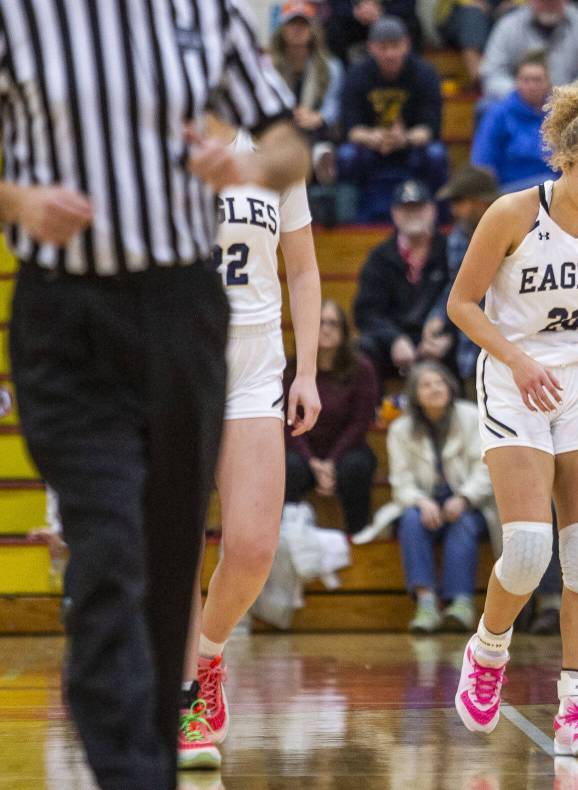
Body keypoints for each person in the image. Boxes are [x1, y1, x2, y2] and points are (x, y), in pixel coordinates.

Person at [0, 2, 309, 787]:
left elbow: (285, 141)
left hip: (182, 314)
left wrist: (250, 166)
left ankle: (166, 724)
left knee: (175, 561)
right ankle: (129, 766)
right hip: (65, 311)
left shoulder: (206, 14)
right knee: (110, 545)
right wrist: (16, 201)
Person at [447, 80, 578, 757]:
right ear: (563, 159)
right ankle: (488, 651)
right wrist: (519, 363)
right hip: (512, 376)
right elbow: (462, 305)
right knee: (529, 550)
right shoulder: (511, 212)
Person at [177, 116, 322, 770]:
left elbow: (303, 269)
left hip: (254, 366)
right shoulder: (154, 140)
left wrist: (309, 370)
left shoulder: (271, 150)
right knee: (176, 545)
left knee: (253, 547)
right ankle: (183, 700)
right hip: (174, 363)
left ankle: (208, 654)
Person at [386, 362, 498, 633]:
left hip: (471, 502)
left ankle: (460, 604)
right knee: (411, 521)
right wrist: (421, 502)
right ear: (414, 394)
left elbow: (486, 467)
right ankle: (425, 604)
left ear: (450, 386)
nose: (435, 389)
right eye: (426, 384)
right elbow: (400, 482)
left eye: (439, 382)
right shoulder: (400, 429)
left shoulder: (472, 416)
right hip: (425, 502)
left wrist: (463, 497)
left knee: (464, 523)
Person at [336, 17, 447, 221]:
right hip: (370, 148)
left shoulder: (425, 73)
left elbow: (431, 128)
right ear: (371, 47)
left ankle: (439, 220)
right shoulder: (356, 75)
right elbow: (349, 128)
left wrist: (404, 138)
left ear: (406, 44)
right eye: (383, 47)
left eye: (395, 46)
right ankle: (346, 225)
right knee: (346, 156)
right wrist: (373, 136)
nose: (390, 54)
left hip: (410, 147)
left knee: (436, 154)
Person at [285, 300, 381, 534]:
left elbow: (360, 423)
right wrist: (313, 462)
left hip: (346, 450)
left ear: (344, 331)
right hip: (303, 452)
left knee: (356, 467)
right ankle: (287, 539)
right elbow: (287, 423)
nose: (325, 329)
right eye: (319, 323)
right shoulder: (290, 368)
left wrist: (330, 462)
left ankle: (358, 536)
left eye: (332, 323)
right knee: (287, 466)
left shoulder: (362, 369)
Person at [353, 180, 455, 381]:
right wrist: (394, 339)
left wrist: (448, 336)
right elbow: (365, 312)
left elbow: (467, 298)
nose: (413, 214)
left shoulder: (450, 251)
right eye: (406, 208)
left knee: (466, 343)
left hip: (439, 339)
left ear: (432, 210)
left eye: (419, 207)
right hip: (393, 342)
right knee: (361, 348)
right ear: (394, 213)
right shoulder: (379, 257)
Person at [434, 165, 501, 388]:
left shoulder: (520, 232)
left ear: (480, 202)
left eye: (458, 202)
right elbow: (456, 285)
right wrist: (437, 317)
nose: (453, 210)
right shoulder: (457, 237)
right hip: (471, 348)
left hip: (512, 343)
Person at [480, 0, 578, 102]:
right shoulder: (507, 26)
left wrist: (568, 94)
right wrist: (522, 91)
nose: (549, 4)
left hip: (573, 107)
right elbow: (492, 74)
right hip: (519, 106)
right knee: (486, 106)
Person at [472, 51, 559, 192]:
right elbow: (482, 162)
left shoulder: (558, 115)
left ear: (548, 83)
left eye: (537, 80)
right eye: (526, 80)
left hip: (554, 190)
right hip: (508, 191)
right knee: (547, 185)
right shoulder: (498, 113)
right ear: (516, 82)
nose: (531, 86)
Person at [270, 1, 345, 143]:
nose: (297, 29)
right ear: (282, 30)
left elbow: (334, 104)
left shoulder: (331, 66)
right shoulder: (268, 66)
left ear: (313, 30)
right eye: (292, 24)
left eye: (304, 24)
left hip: (316, 129)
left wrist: (319, 117)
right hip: (278, 129)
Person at [325, 0, 423, 64]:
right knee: (335, 27)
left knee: (410, 24)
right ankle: (341, 74)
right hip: (354, 19)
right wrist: (355, 12)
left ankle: (409, 71)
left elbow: (408, 5)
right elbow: (335, 5)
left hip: (390, 15)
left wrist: (381, 12)